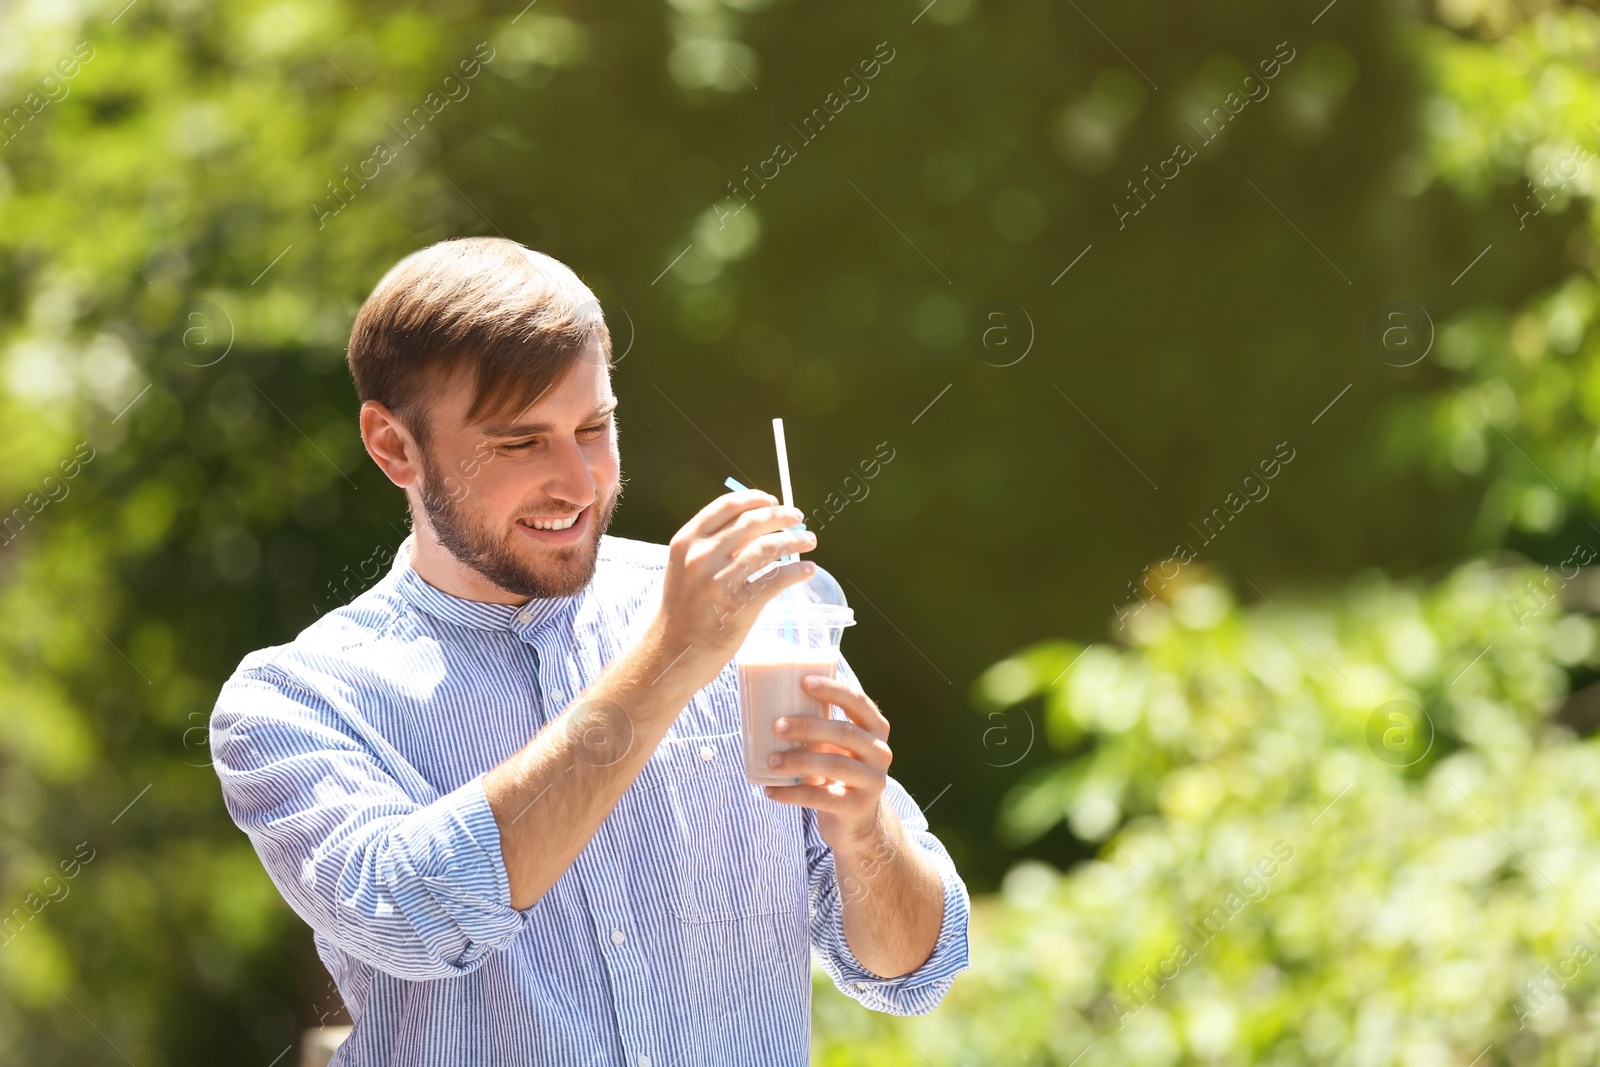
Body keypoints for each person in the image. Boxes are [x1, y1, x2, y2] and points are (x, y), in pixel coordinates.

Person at [209, 236, 970, 1066]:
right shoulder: (296, 700)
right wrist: (674, 656)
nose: (578, 483)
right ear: (394, 445)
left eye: (594, 427)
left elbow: (913, 973)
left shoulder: (755, 621)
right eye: (519, 442)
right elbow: (415, 916)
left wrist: (864, 832)